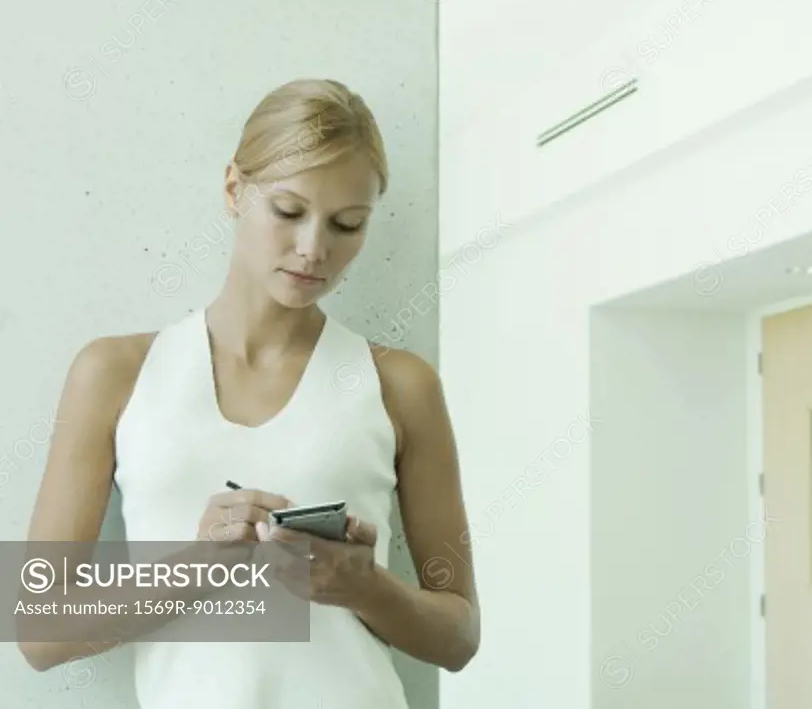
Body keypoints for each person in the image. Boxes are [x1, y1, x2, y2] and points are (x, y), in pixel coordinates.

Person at [19, 78, 480, 708]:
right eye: (289, 212)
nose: (314, 249)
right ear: (235, 189)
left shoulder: (401, 384)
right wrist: (197, 567)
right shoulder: (116, 372)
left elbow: (459, 636)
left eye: (348, 224)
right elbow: (38, 631)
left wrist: (365, 586)